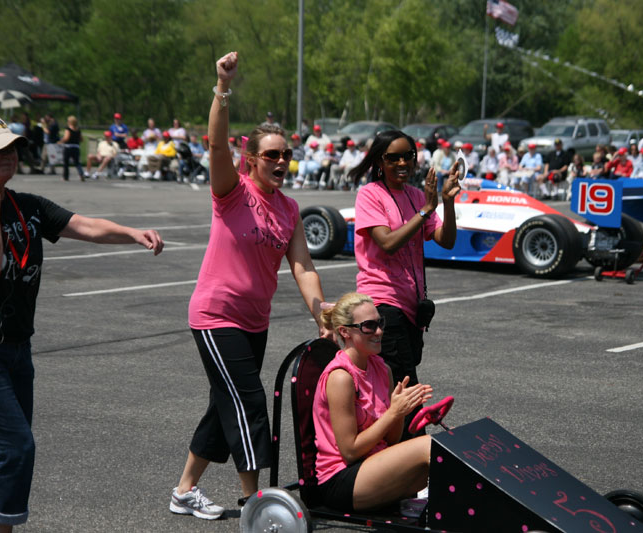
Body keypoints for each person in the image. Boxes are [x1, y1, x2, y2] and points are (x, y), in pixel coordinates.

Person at [171, 52, 332, 520]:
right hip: (215, 315)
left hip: (253, 322)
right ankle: (255, 504)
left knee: (225, 409)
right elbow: (216, 144)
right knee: (249, 402)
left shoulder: (289, 209)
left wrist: (322, 313)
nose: (281, 161)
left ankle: (184, 491)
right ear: (252, 159)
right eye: (271, 155)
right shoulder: (233, 191)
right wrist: (222, 86)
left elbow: (302, 267)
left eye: (286, 154)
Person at [0, 114, 164, 533]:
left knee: (1, 448)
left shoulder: (27, 205)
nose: (9, 157)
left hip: (18, 350)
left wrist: (132, 232)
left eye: (12, 149)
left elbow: (84, 226)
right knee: (17, 448)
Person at [347, 129, 458, 439]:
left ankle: (389, 451)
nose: (401, 163)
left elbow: (446, 241)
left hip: (411, 308)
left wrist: (446, 203)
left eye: (407, 156)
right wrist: (426, 210)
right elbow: (387, 244)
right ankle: (413, 458)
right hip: (383, 303)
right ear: (379, 162)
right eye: (392, 157)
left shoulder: (416, 195)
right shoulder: (370, 194)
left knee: (395, 387)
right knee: (406, 387)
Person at [313, 292, 433, 512]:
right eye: (369, 326)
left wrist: (398, 413)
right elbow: (349, 451)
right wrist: (392, 413)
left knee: (447, 449)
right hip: (341, 478)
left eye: (380, 323)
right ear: (344, 332)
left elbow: (391, 439)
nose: (379, 332)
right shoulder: (341, 377)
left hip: (370, 467)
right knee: (429, 447)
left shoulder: (382, 368)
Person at [56, 116, 84, 182]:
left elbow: (66, 138)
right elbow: (81, 139)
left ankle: (66, 177)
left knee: (66, 163)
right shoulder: (78, 129)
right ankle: (81, 174)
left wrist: (60, 141)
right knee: (77, 162)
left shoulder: (68, 129)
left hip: (68, 147)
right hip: (76, 147)